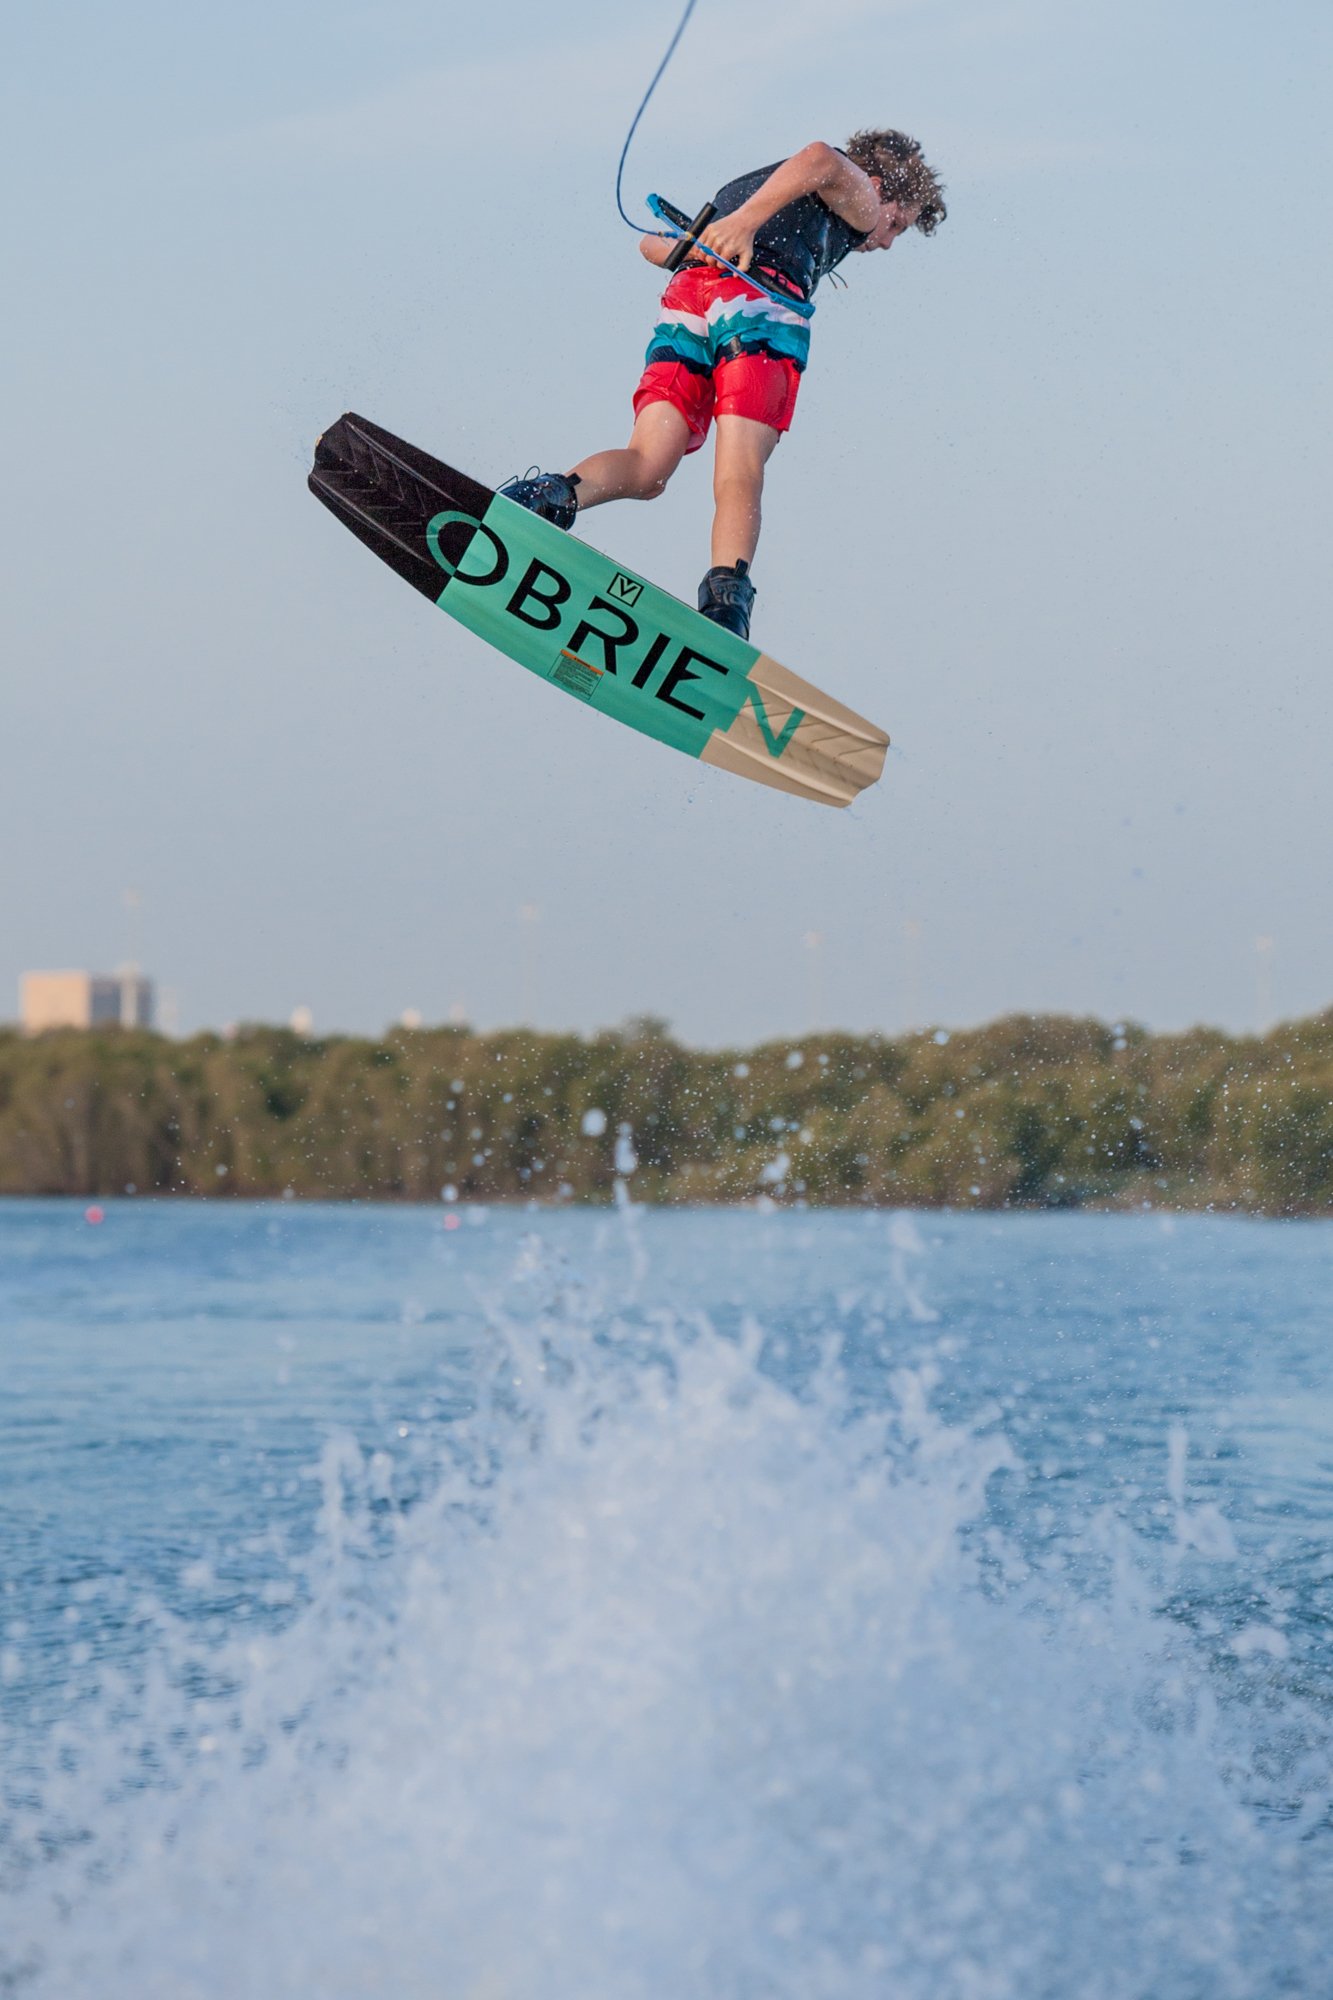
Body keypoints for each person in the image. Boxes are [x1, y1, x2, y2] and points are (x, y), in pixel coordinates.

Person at [500, 130, 945, 641]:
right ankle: (725, 612)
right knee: (739, 474)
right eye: (898, 224)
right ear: (881, 186)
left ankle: (545, 498)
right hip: (760, 310)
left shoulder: (758, 185)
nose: (885, 240)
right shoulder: (860, 196)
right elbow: (821, 156)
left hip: (690, 299)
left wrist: (691, 244)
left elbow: (649, 245)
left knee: (647, 467)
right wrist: (742, 223)